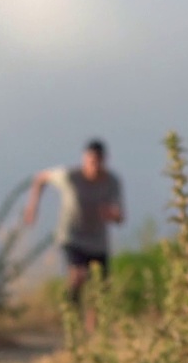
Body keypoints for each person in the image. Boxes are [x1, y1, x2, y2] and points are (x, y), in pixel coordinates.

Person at [23, 138, 124, 336]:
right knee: (78, 276)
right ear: (84, 159)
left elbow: (120, 216)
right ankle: (72, 321)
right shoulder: (70, 176)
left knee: (100, 288)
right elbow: (40, 178)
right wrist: (33, 207)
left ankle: (92, 332)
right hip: (73, 236)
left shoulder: (112, 182)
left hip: (98, 241)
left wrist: (112, 214)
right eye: (91, 161)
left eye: (98, 162)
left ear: (104, 161)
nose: (94, 166)